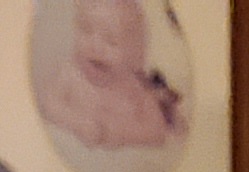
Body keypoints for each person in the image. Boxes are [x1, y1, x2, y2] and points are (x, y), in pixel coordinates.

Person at [36, 0, 185, 154]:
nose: (96, 46)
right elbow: (47, 103)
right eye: (86, 30)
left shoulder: (132, 87)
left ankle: (166, 103)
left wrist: (116, 133)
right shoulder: (70, 73)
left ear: (132, 53)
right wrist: (77, 123)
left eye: (111, 41)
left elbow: (157, 132)